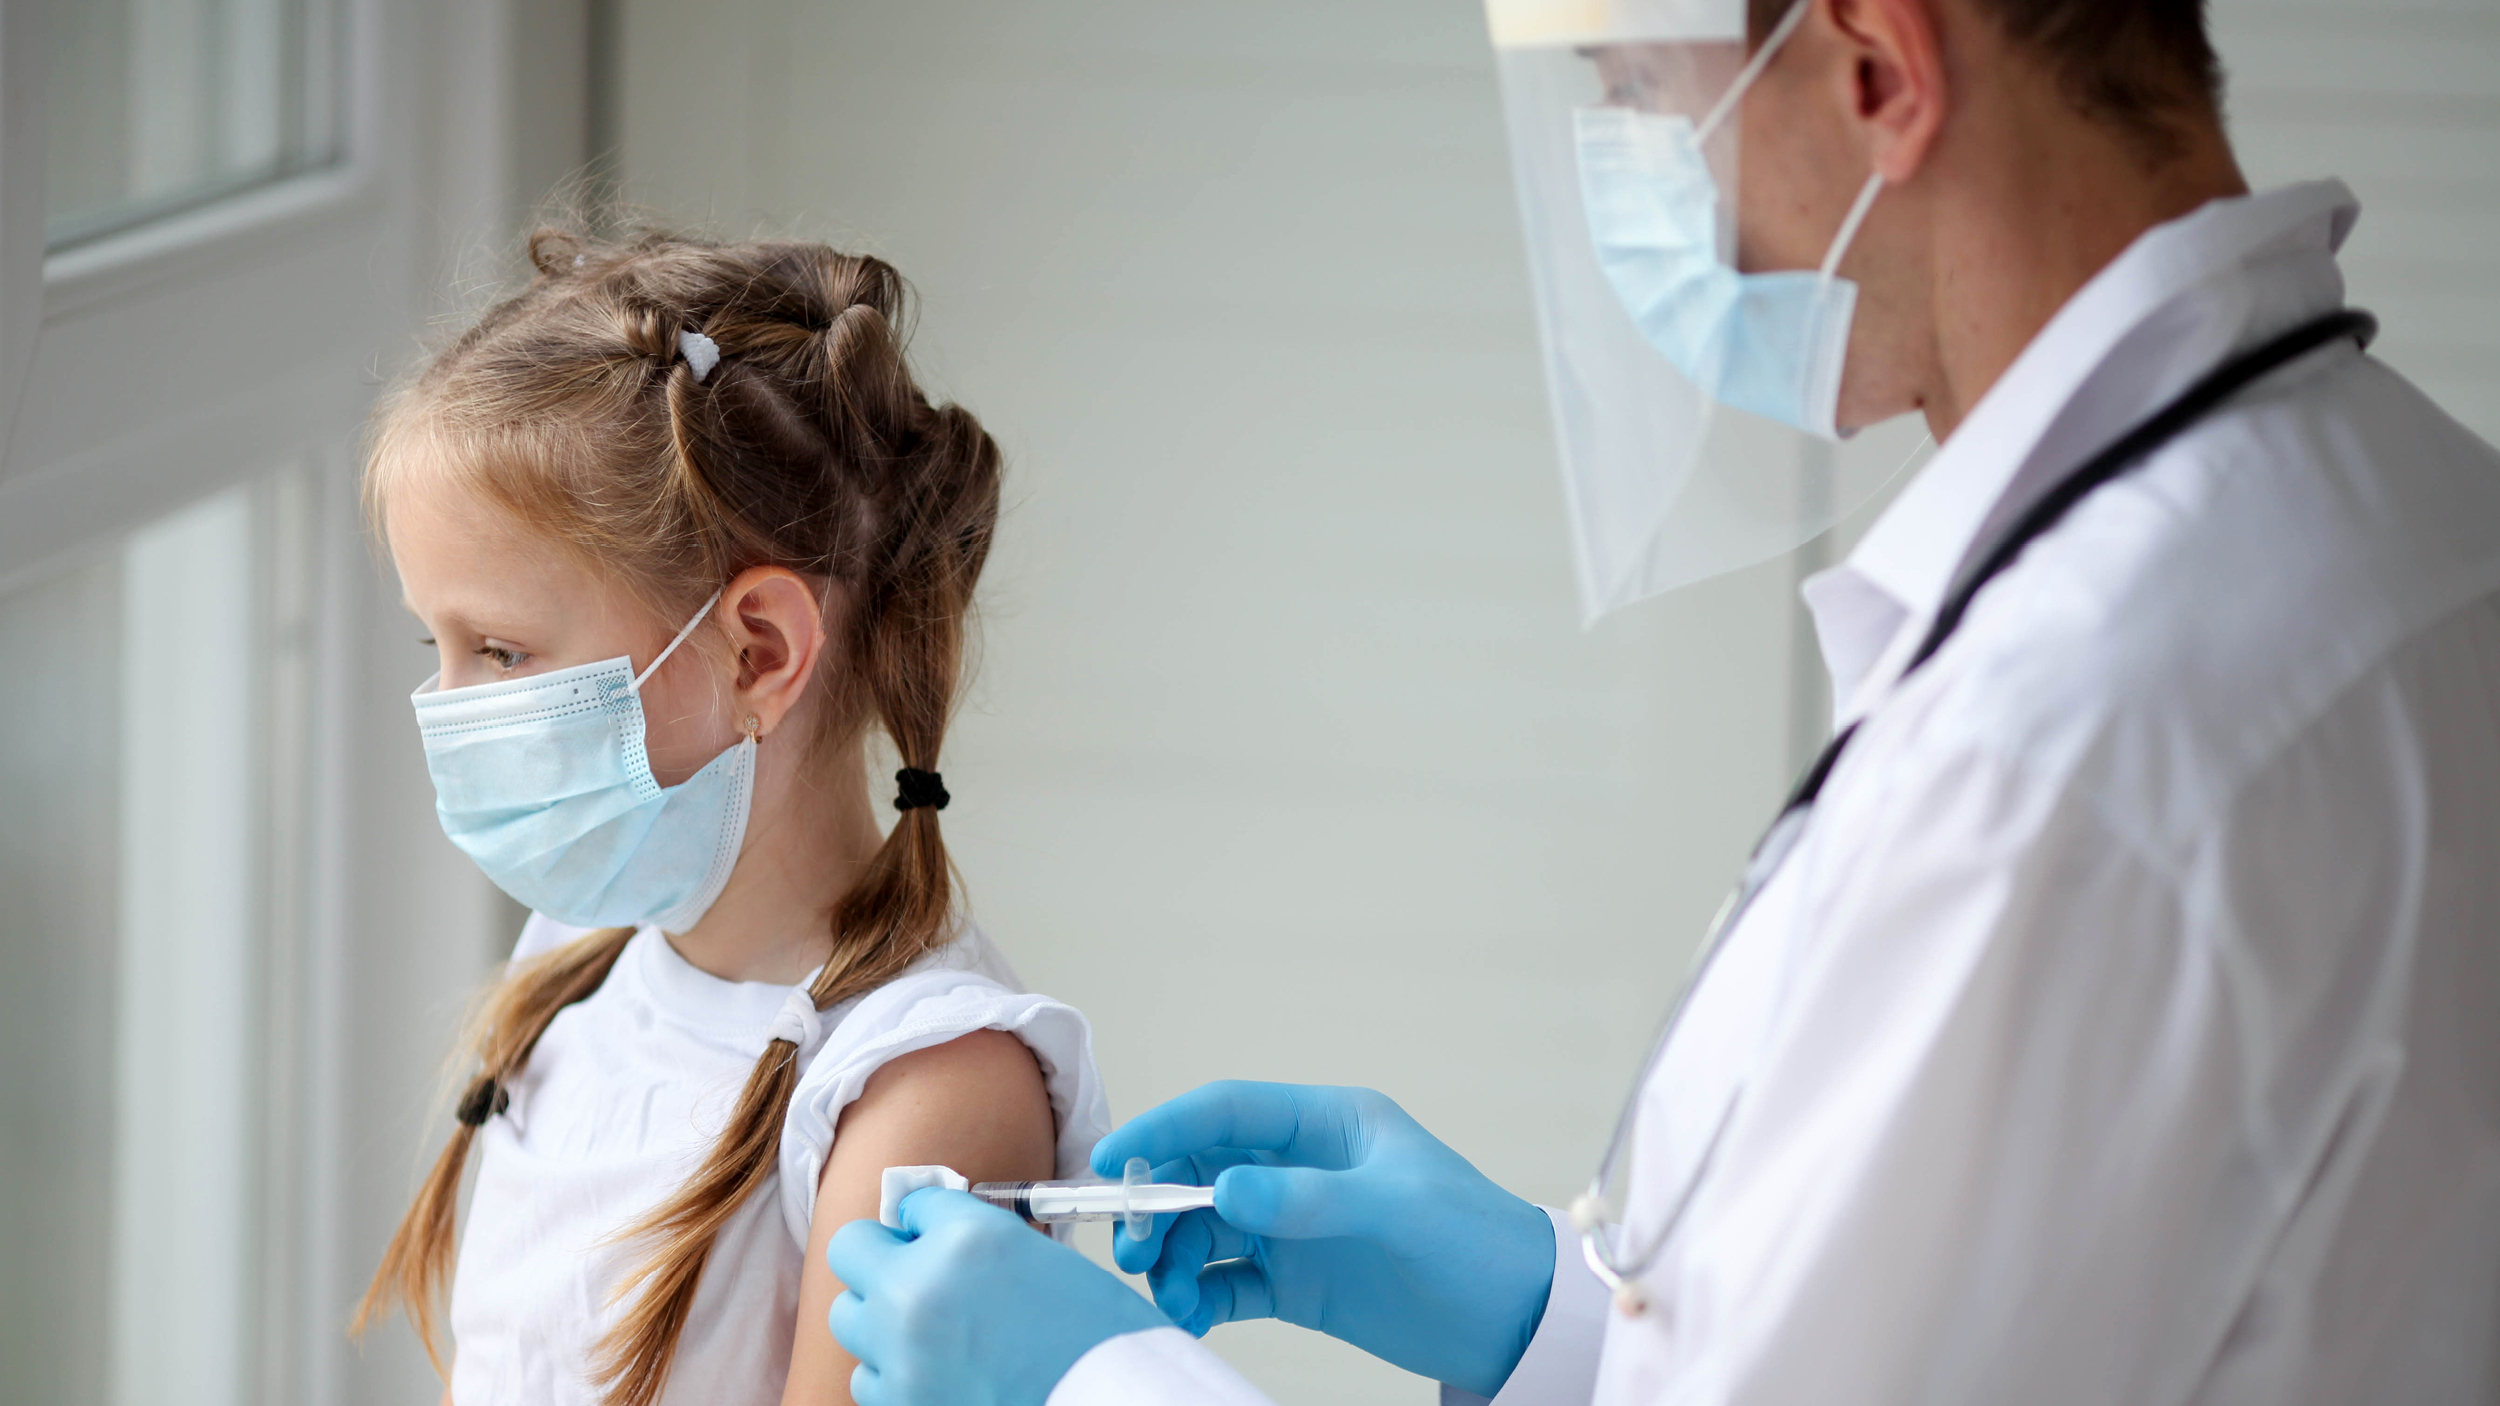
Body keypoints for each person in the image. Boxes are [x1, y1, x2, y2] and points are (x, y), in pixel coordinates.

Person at [820, 0, 2500, 1403]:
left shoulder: (2070, 737)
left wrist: (1098, 1387)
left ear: (1876, 75)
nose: (1626, 174)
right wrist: (1550, 1315)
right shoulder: (2415, 517)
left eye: (1634, 94)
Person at [352, 231, 1111, 1406]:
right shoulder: (576, 954)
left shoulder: (923, 1094)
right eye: (435, 644)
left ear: (758, 649)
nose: (448, 712)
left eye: (499, 650)